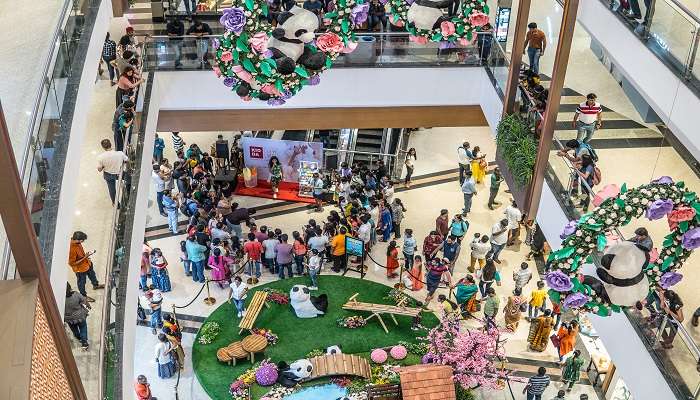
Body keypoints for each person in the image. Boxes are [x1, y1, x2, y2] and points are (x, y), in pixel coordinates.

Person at [68, 231, 104, 302]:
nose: (83, 241)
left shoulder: (77, 243)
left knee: (92, 275)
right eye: (82, 240)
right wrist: (85, 257)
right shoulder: (71, 249)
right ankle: (83, 297)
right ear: (78, 239)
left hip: (87, 264)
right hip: (80, 270)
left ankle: (95, 285)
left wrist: (86, 257)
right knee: (82, 283)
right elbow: (72, 263)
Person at [96, 139, 129, 205]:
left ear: (103, 147)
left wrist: (102, 166)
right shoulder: (120, 153)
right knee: (129, 179)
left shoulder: (100, 157)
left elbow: (99, 169)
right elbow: (127, 160)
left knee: (112, 189)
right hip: (119, 173)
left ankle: (115, 203)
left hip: (108, 175)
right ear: (111, 144)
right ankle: (128, 195)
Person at [65, 283, 91, 349]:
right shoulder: (75, 294)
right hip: (80, 316)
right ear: (70, 287)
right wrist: (88, 305)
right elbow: (83, 300)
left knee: (74, 329)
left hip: (69, 318)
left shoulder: (61, 299)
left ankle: (78, 337)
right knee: (83, 327)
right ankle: (84, 342)